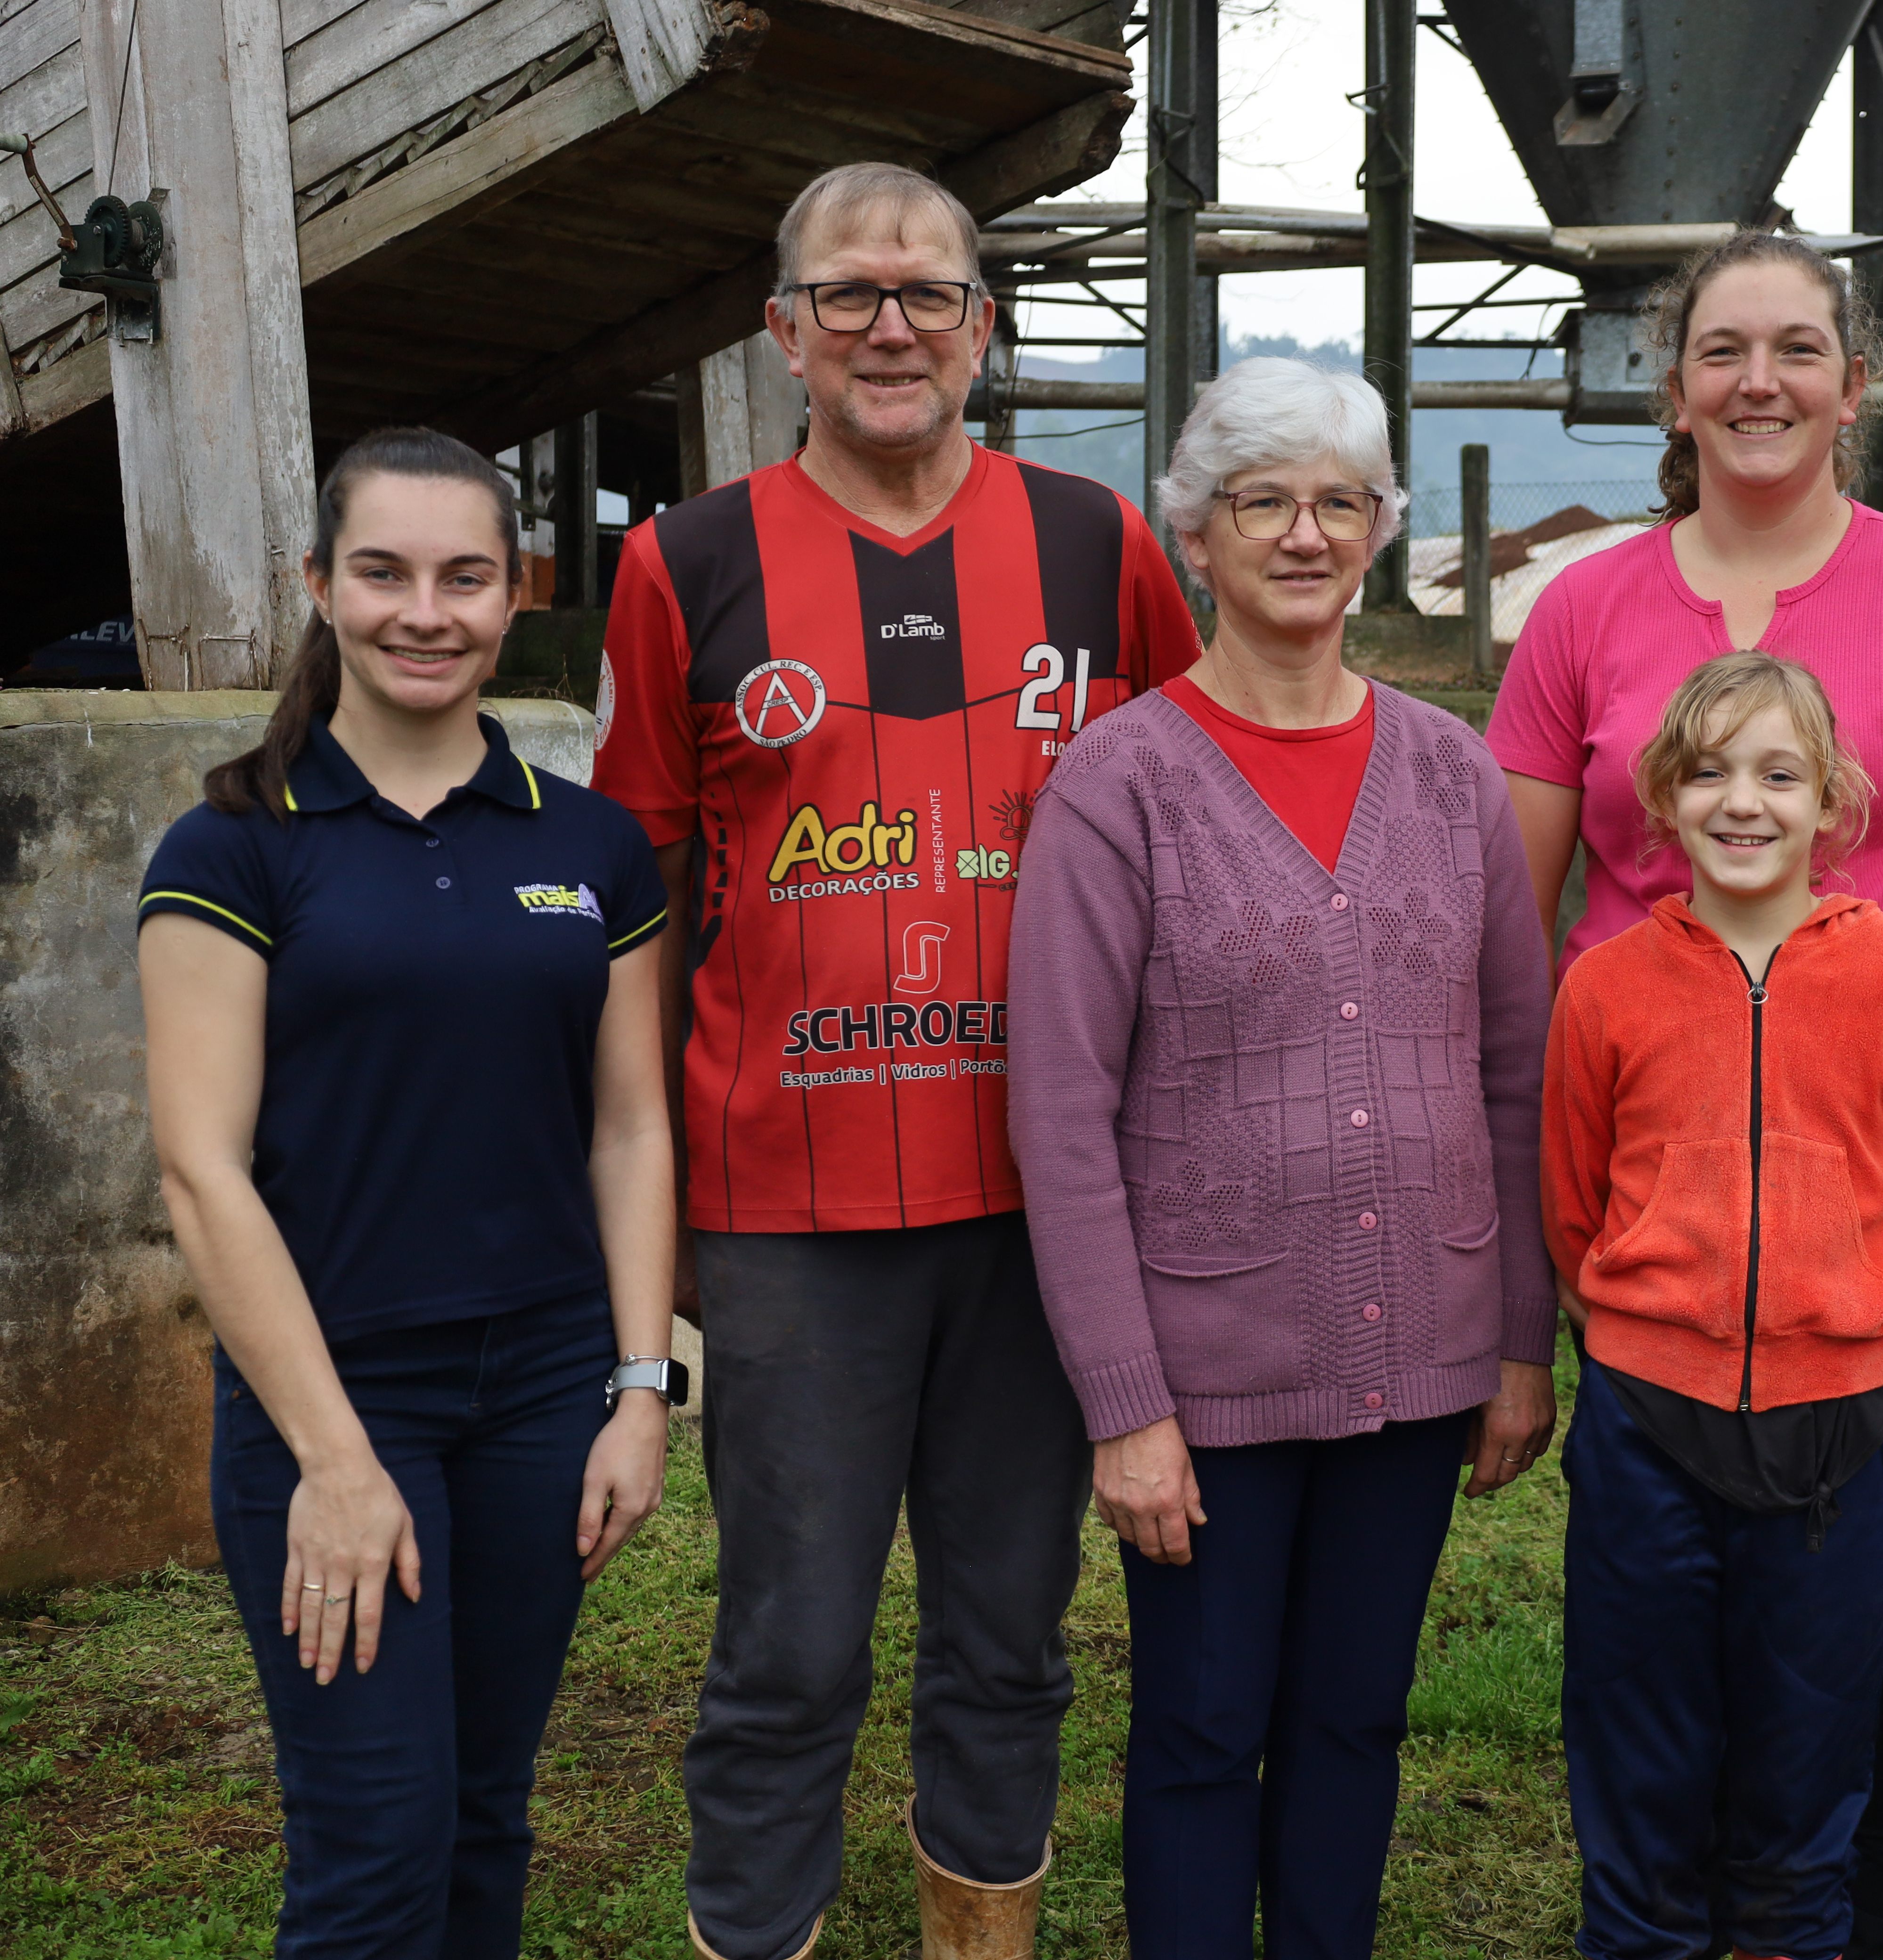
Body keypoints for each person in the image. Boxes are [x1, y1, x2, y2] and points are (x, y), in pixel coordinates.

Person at [590, 162, 1203, 1960]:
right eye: (847, 295)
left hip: (1043, 1211)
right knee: (788, 1648)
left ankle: (978, 1934)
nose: (889, 328)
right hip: (787, 1217)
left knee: (1011, 1637)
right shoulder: (683, 563)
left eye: (927, 293)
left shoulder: (1100, 546)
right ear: (784, 333)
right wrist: (651, 1208)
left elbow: (1191, 821)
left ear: (982, 329)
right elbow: (640, 911)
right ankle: (752, 1926)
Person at [1483, 231, 1883, 1956]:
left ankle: (1830, 1921)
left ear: (1853, 386)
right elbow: (1510, 935)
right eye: (1723, 351)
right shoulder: (1584, 609)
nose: (1761, 382)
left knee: (1854, 1603)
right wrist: (1557, 1247)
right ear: (1672, 390)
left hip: (1871, 1204)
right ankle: (1657, 1910)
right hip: (1659, 1213)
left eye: (1799, 348)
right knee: (1658, 1622)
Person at [1006, 356, 1557, 1960]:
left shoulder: (1451, 772)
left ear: (1380, 530)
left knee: (1354, 1721)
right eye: (1264, 504)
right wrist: (1127, 1408)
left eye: (1339, 503)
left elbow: (1516, 1074)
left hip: (1423, 1347)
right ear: (1197, 534)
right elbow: (1061, 1116)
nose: (1305, 535)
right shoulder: (1120, 783)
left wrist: (1521, 1342)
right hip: (1208, 1371)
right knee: (1199, 1731)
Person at [137, 427, 679, 1958]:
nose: (424, 613)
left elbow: (630, 1131)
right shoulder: (235, 847)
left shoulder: (589, 845)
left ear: (516, 596)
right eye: (383, 573)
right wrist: (334, 1458)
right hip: (336, 1394)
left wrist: (641, 1390)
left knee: (484, 1817)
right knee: (374, 1856)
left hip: (545, 1402)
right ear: (319, 584)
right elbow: (202, 1170)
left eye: (465, 578)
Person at [1541, 652, 1883, 1960]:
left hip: (1834, 1432)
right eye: (1710, 772)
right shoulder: (1606, 986)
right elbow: (1573, 1201)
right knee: (1642, 1756)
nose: (1743, 802)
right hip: (1647, 1427)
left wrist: (1852, 1324)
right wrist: (1642, 1331)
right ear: (1662, 798)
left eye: (1780, 774)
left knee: (1806, 1771)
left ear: (1832, 801)